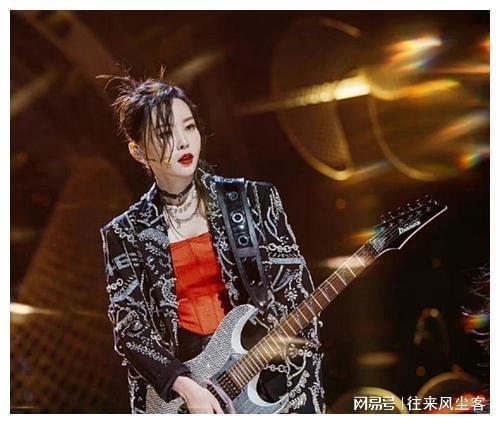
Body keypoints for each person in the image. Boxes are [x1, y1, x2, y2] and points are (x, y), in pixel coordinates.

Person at [99, 69, 326, 414]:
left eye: (189, 127)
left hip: (264, 375)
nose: (183, 142)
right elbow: (131, 329)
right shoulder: (124, 233)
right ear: (138, 151)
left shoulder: (253, 201)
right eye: (165, 133)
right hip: (183, 392)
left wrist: (282, 384)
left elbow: (295, 296)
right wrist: (187, 388)